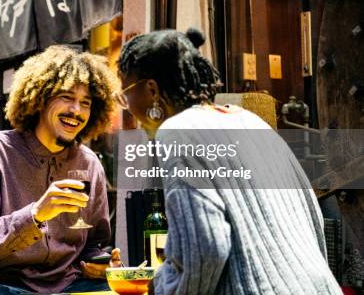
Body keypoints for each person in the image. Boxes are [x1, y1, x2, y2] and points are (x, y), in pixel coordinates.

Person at [117, 28, 342, 294]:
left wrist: (165, 289)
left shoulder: (178, 131)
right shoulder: (250, 121)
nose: (127, 106)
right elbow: (313, 218)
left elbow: (204, 248)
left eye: (125, 93)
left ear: (152, 90)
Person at [0, 46, 122, 295]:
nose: (76, 111)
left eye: (86, 103)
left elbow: (94, 243)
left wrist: (101, 264)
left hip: (67, 286)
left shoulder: (89, 163)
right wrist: (36, 215)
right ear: (39, 98)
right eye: (67, 97)